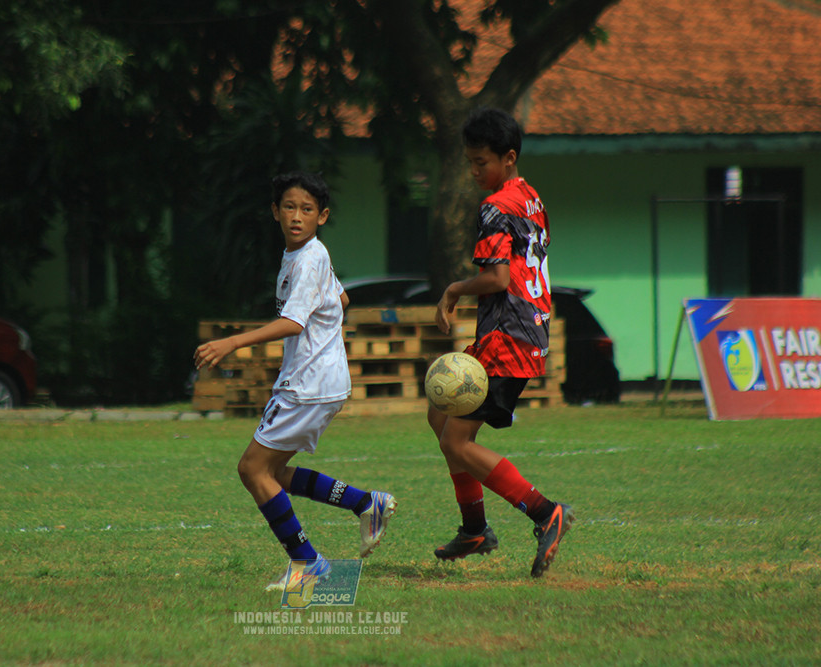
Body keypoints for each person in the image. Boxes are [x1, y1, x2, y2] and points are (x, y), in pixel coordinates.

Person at [194, 171, 397, 590]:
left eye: (307, 209)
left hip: (308, 384)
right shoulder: (307, 256)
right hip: (316, 380)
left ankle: (309, 564)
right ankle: (365, 502)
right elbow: (341, 298)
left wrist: (232, 341)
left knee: (252, 470)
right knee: (274, 472)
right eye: (289, 207)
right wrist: (328, 333)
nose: (297, 217)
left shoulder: (308, 258)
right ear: (275, 212)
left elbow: (292, 322)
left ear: (322, 216)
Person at [428, 107, 573, 578]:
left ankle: (543, 511)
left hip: (508, 335)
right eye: (469, 162)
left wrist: (453, 289)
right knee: (440, 412)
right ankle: (474, 529)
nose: (474, 172)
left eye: (480, 162)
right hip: (525, 329)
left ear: (508, 157)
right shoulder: (530, 197)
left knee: (457, 439)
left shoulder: (495, 206)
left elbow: (496, 277)